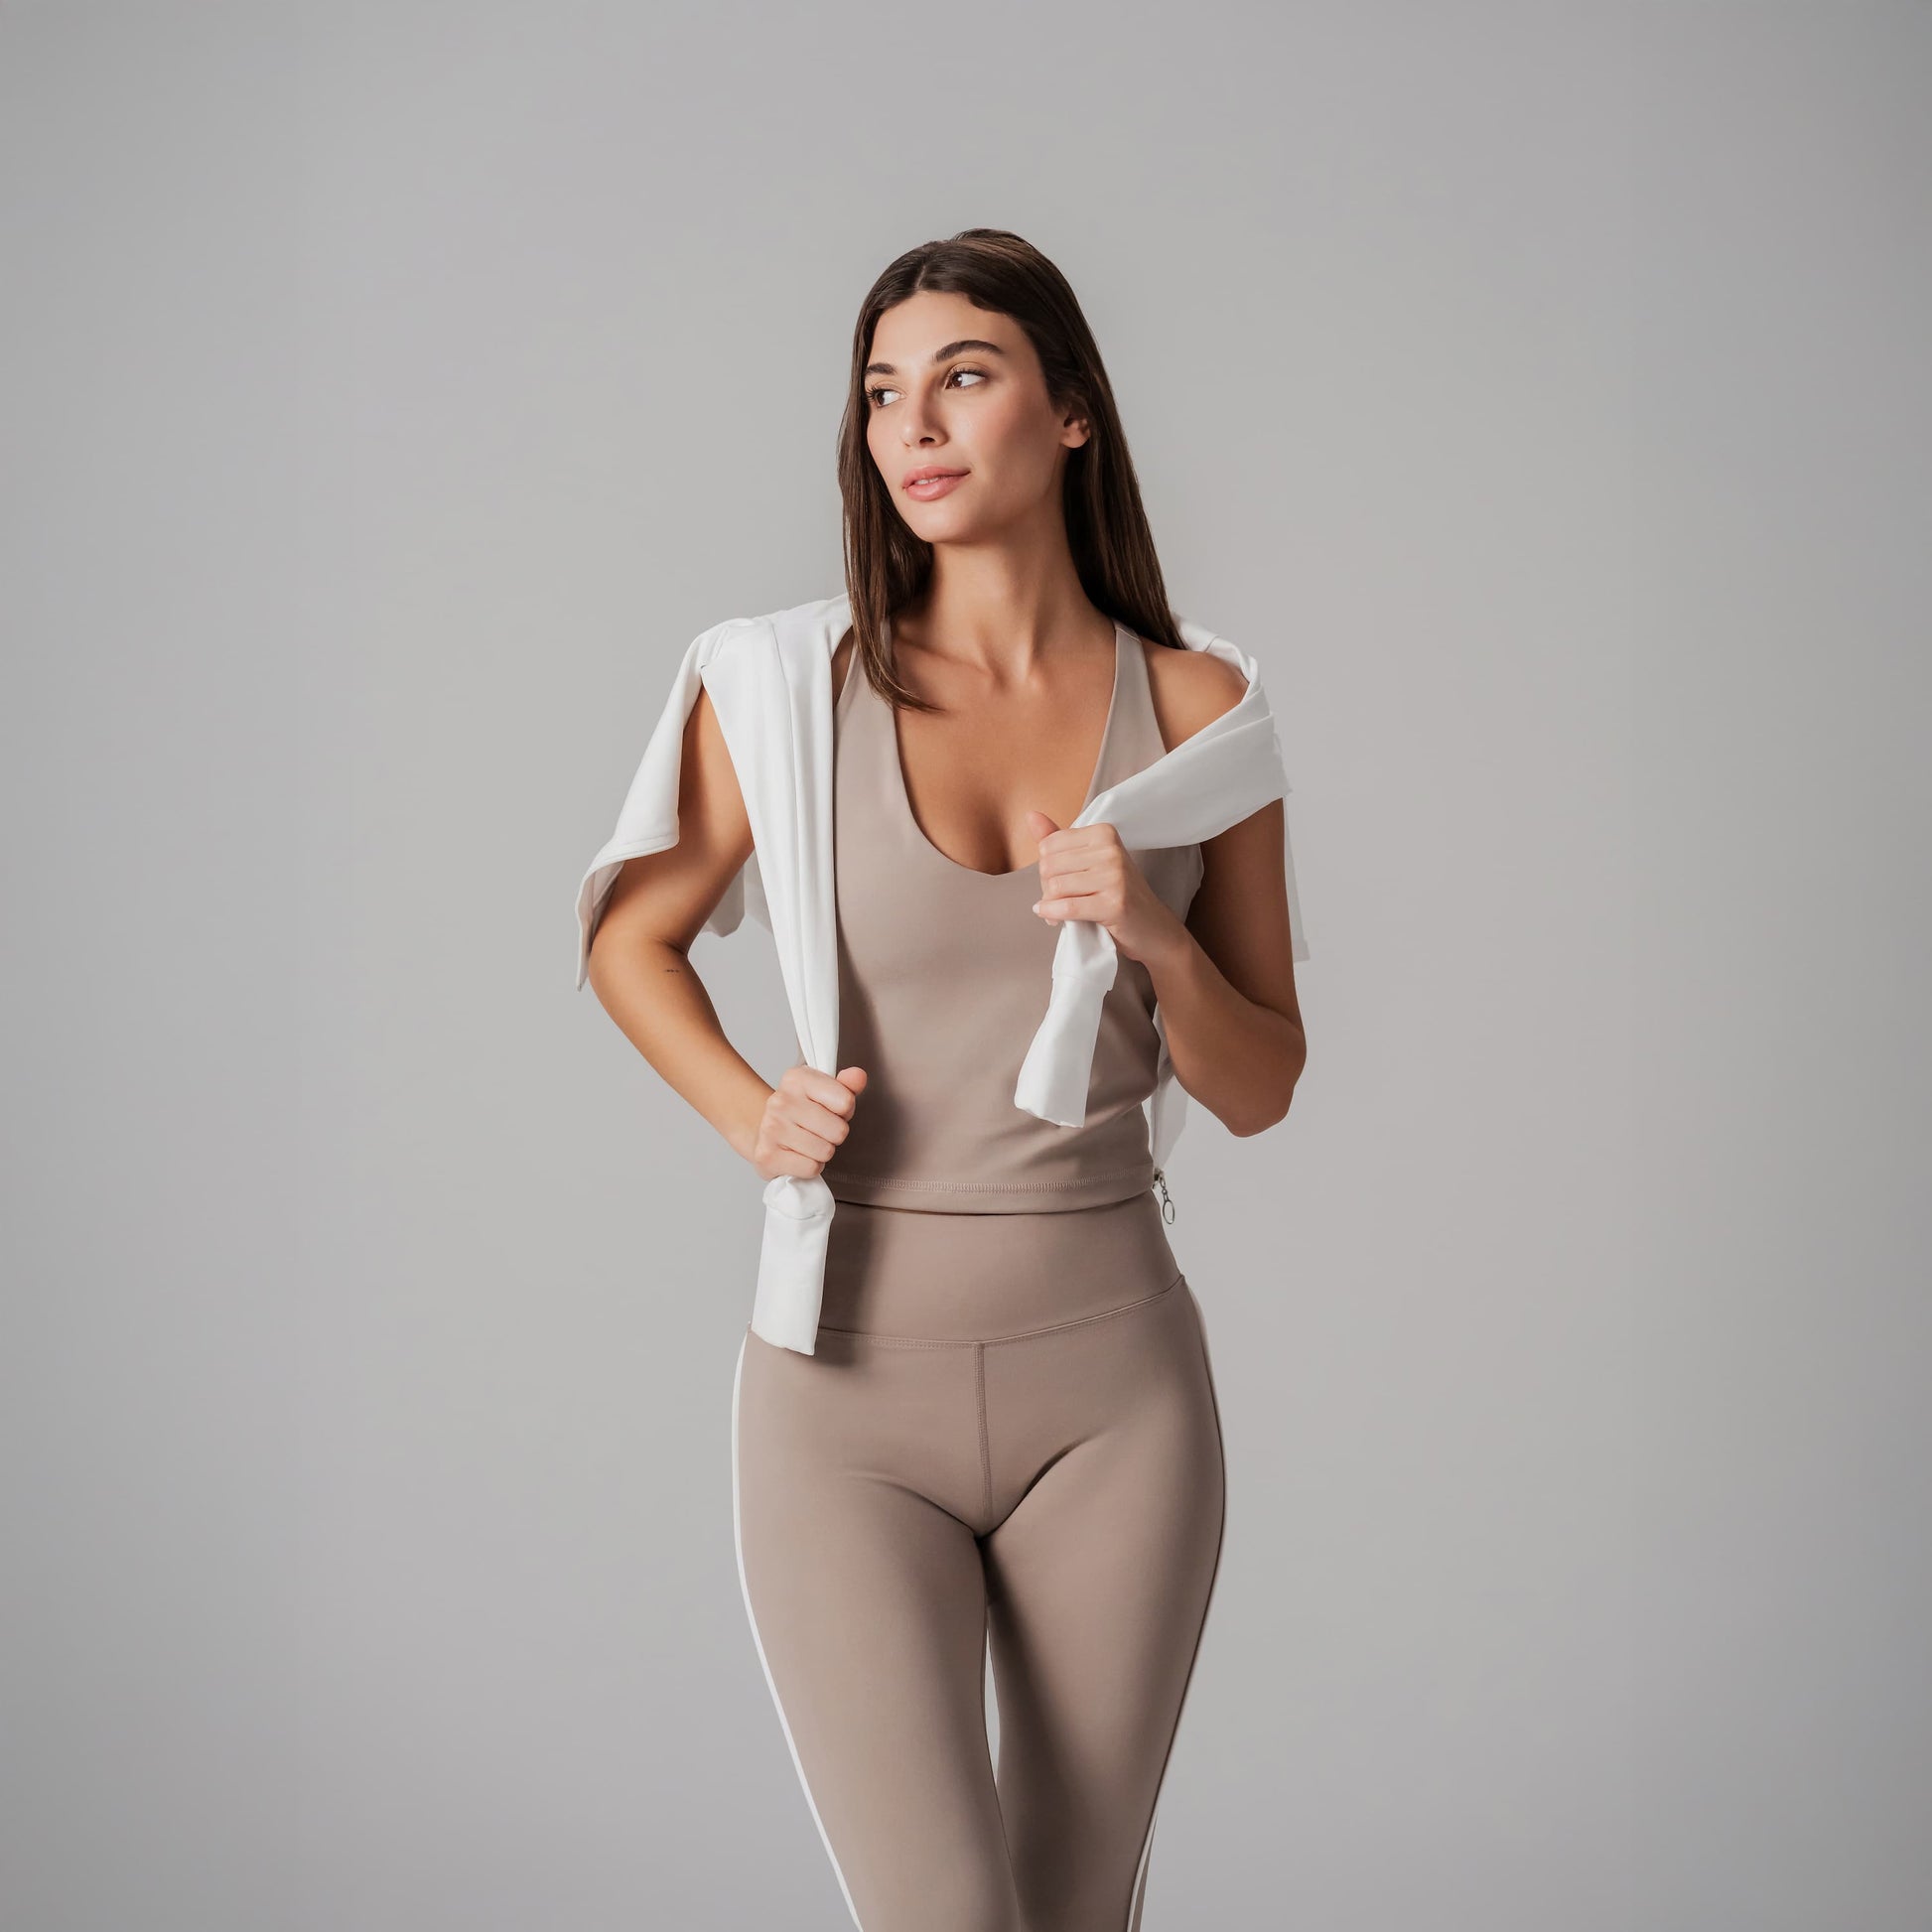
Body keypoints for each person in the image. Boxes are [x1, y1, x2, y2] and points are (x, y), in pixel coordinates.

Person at [582, 227, 1308, 1932]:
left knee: (1073, 1915)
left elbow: (1263, 1077)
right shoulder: (781, 686)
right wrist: (749, 1108)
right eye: (883, 393)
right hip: (842, 1394)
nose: (912, 425)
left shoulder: (1202, 713)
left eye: (962, 377)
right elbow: (632, 937)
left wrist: (1153, 931)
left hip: (1115, 1393)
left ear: (1068, 412)